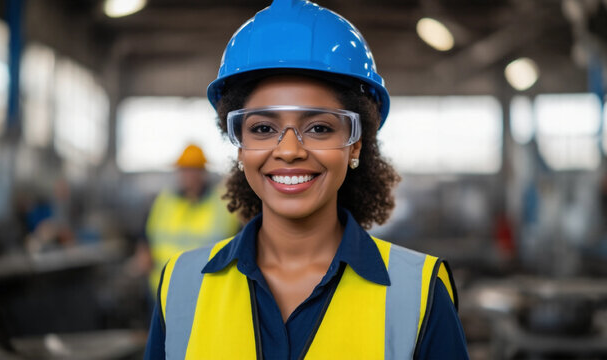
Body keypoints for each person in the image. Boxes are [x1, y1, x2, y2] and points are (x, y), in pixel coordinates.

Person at [145, 0, 469, 359]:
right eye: (263, 128)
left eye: (318, 128)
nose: (288, 151)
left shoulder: (419, 292)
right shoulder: (180, 284)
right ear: (239, 147)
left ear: (355, 146)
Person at [143, 144, 240, 294]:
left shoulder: (223, 203)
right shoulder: (165, 200)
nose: (185, 175)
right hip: (164, 289)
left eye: (191, 169)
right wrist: (144, 252)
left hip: (207, 291)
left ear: (202, 172)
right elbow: (146, 234)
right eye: (183, 169)